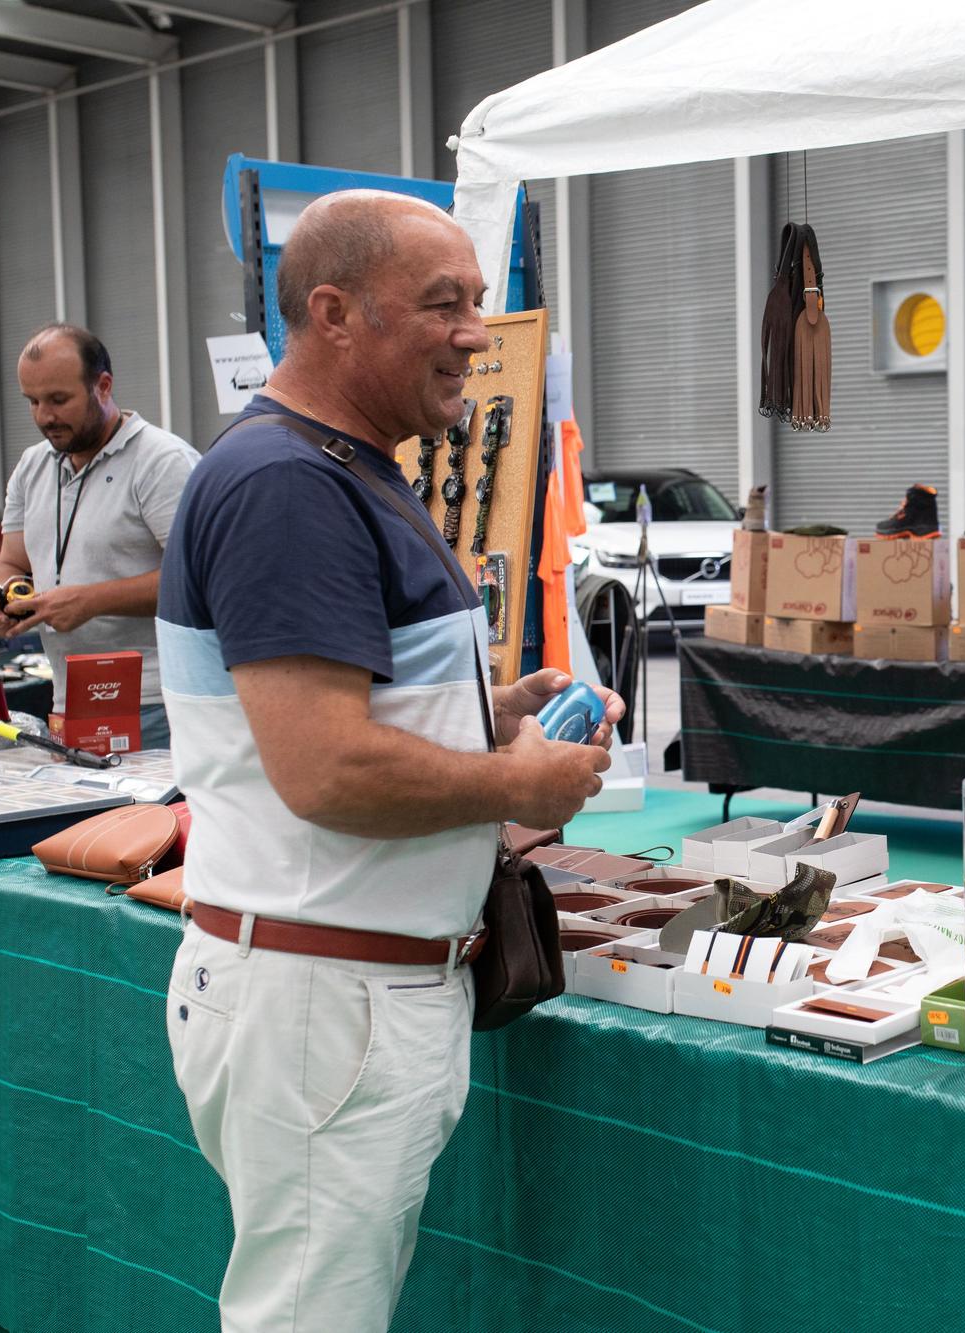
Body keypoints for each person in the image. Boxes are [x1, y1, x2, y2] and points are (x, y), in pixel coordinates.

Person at [156, 189, 622, 1333]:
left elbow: (327, 717)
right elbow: (327, 771)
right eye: (443, 304)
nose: (476, 331)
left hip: (340, 991)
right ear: (333, 313)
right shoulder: (288, 486)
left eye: (478, 300)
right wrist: (519, 783)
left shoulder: (342, 469)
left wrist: (486, 707)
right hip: (328, 996)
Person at [0, 324, 199, 750]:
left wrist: (89, 601)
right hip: (70, 702)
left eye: (60, 400)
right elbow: (10, 562)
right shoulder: (33, 466)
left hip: (157, 703)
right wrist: (3, 600)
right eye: (33, 401)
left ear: (103, 386)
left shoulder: (162, 462)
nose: (45, 416)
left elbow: (199, 579)